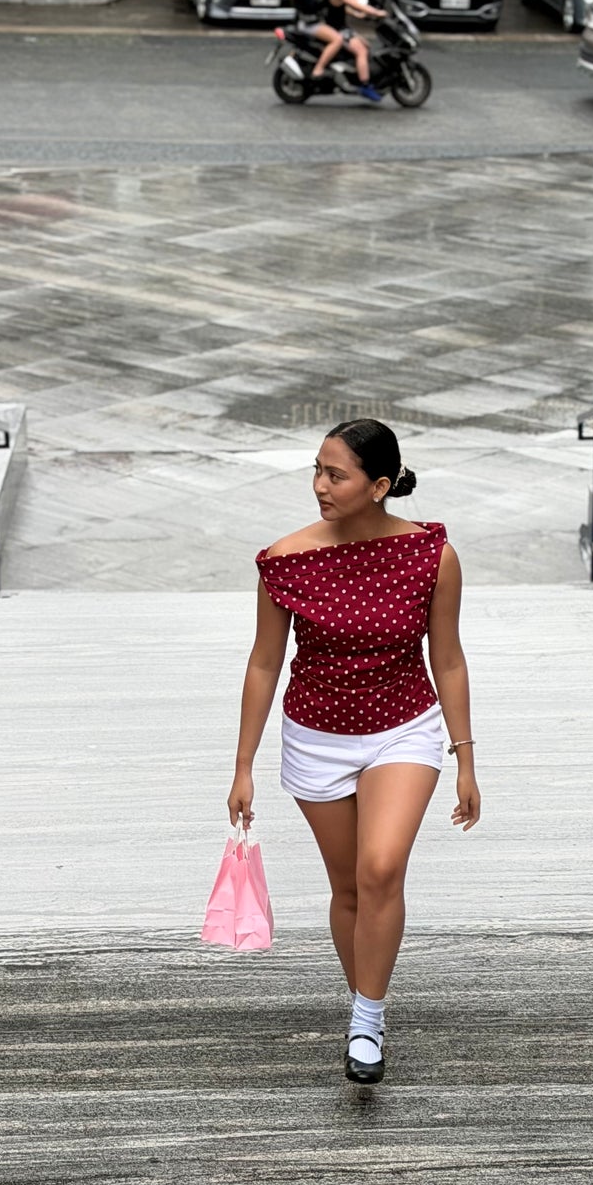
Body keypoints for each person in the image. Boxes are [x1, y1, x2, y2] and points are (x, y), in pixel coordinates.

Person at [229, 419, 480, 1085]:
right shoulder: (283, 560)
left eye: (334, 474)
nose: (319, 485)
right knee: (346, 887)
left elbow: (447, 660)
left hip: (404, 728)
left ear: (378, 485)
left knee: (379, 867)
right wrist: (243, 765)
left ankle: (366, 1020)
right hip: (315, 737)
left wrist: (464, 757)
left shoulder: (432, 556)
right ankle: (366, 1001)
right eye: (315, 469)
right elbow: (262, 665)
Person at [291, 0, 386, 103]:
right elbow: (354, 3)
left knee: (365, 44)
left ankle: (354, 73)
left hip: (339, 26)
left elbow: (338, 6)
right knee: (361, 51)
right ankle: (365, 85)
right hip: (338, 29)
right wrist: (378, 12)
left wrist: (357, 14)